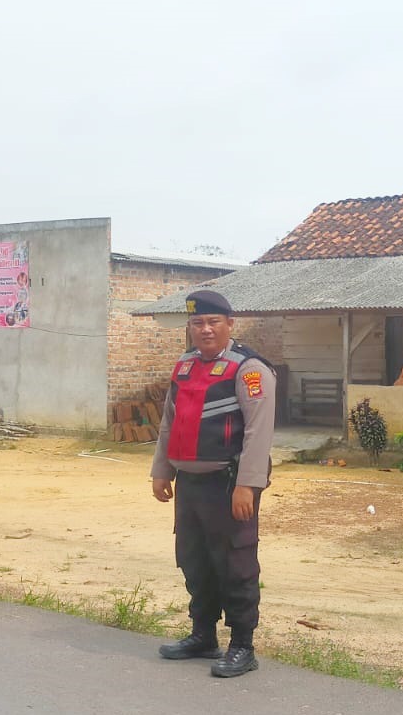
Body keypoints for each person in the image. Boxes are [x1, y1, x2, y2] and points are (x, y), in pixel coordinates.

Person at [150, 290, 275, 678]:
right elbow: (169, 423)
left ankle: (242, 645)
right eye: (197, 323)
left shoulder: (248, 368)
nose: (205, 330)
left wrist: (247, 485)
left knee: (235, 563)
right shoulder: (185, 366)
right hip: (189, 484)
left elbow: (259, 431)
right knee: (194, 559)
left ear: (229, 325)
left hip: (228, 485)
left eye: (213, 323)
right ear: (189, 327)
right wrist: (161, 470)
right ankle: (203, 636)